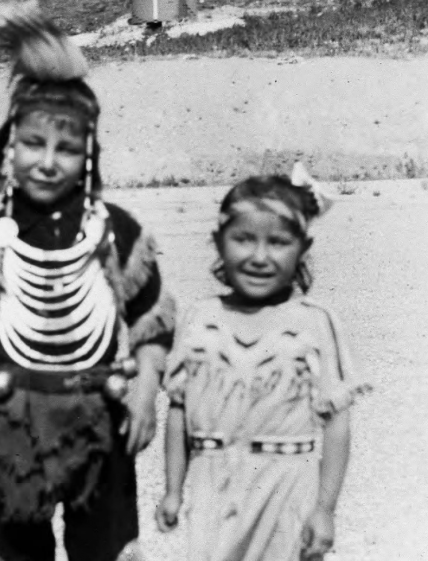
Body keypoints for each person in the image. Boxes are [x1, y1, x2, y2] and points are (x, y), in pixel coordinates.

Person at [0, 3, 176, 561]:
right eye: (33, 144)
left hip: (103, 420)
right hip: (12, 423)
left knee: (108, 550)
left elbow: (152, 320)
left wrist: (144, 392)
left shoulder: (115, 232)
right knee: (17, 552)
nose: (48, 162)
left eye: (67, 148)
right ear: (9, 147)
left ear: (88, 154)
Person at [155, 164, 370, 560]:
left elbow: (337, 422)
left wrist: (324, 509)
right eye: (243, 239)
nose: (259, 256)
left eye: (278, 242)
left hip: (287, 486)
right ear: (218, 243)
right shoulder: (200, 320)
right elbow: (179, 412)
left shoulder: (314, 323)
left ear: (303, 248)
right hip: (213, 486)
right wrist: (173, 489)